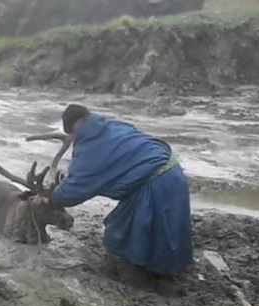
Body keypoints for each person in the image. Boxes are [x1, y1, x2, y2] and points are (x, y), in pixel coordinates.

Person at [47, 104, 193, 286]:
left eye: (72, 136)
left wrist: (53, 196)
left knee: (122, 234)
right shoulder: (113, 125)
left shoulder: (90, 147)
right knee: (169, 231)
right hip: (175, 174)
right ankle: (166, 271)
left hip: (155, 184)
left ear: (73, 129)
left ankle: (140, 280)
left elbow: (74, 190)